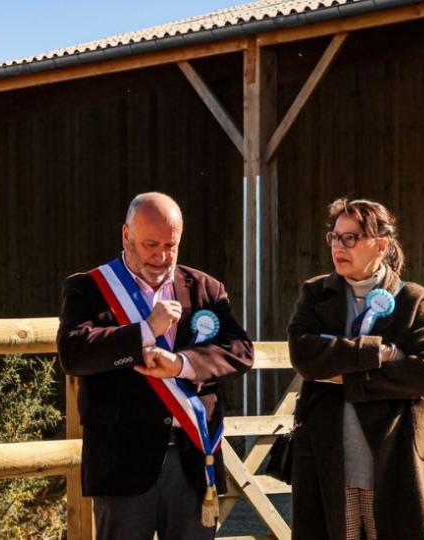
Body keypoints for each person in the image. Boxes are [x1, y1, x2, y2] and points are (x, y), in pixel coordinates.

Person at [56, 192, 253, 540]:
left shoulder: (205, 288)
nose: (161, 257)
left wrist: (182, 364)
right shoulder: (89, 287)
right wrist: (146, 331)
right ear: (126, 235)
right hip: (123, 461)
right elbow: (74, 355)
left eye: (170, 245)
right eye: (150, 245)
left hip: (193, 458)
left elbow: (239, 351)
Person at [288, 198, 424, 540]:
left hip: (392, 459)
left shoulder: (415, 300)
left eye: (350, 238)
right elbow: (304, 355)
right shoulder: (315, 293)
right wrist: (380, 351)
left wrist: (344, 374)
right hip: (328, 455)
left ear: (381, 245)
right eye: (334, 237)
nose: (338, 247)